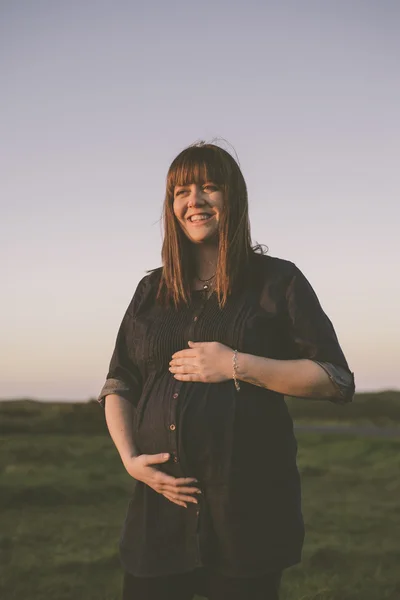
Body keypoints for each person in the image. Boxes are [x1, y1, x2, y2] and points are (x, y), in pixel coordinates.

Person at [98, 141, 355, 600]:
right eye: (181, 191)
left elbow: (336, 379)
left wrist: (235, 365)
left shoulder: (278, 280)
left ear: (232, 198)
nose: (193, 201)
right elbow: (120, 381)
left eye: (208, 187)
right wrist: (130, 460)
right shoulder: (150, 290)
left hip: (247, 512)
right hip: (158, 517)